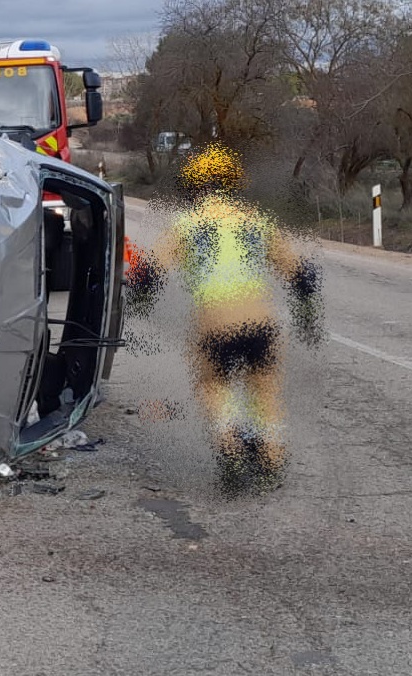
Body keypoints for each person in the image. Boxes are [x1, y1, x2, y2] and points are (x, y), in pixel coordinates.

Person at [123, 142, 324, 497]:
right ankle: (269, 464)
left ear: (196, 187)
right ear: (234, 184)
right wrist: (307, 314)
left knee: (214, 387)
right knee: (265, 392)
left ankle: (231, 450)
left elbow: (149, 273)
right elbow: (300, 274)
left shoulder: (187, 224)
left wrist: (137, 302)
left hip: (214, 323)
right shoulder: (258, 220)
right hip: (261, 323)